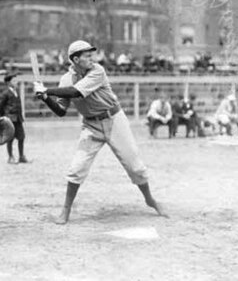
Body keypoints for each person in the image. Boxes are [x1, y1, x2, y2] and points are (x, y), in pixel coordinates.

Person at [33, 40, 167, 225]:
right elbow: (61, 111)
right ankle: (66, 209)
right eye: (87, 56)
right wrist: (46, 98)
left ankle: (150, 199)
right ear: (75, 59)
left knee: (135, 166)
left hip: (114, 119)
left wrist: (46, 89)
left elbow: (76, 93)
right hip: (91, 125)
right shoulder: (65, 79)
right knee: (76, 169)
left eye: (91, 55)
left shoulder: (97, 70)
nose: (91, 58)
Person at [0, 73, 30, 164]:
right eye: (14, 81)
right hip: (10, 119)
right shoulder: (6, 93)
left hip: (18, 118)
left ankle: (21, 156)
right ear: (8, 83)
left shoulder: (16, 92)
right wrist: (4, 117)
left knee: (21, 137)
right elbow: (0, 107)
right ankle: (10, 157)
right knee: (10, 138)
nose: (16, 82)